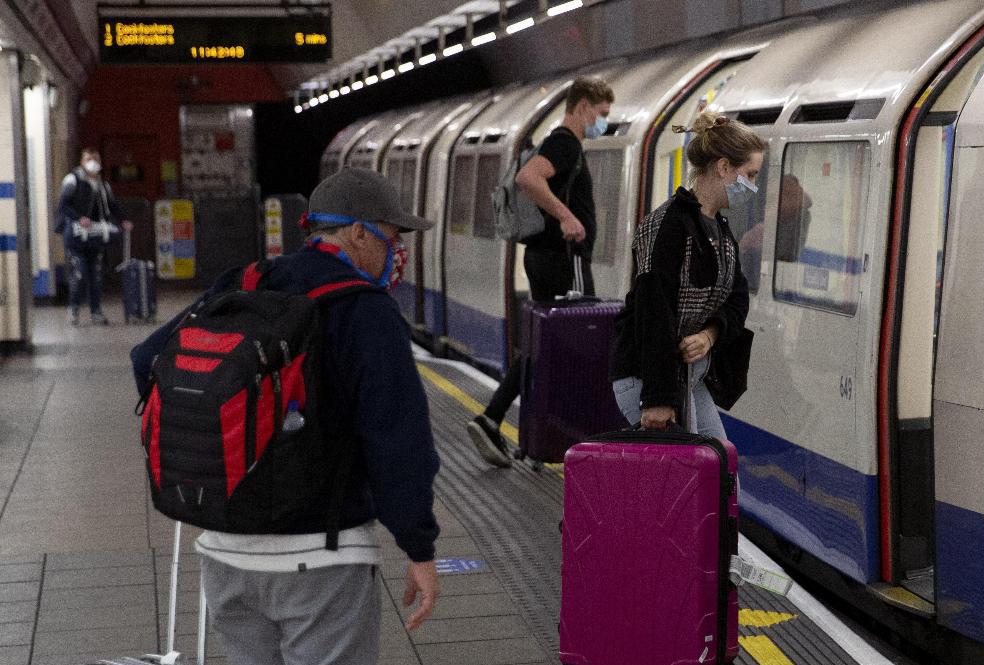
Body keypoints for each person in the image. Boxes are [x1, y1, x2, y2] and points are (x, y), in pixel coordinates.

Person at [130, 168, 441, 664]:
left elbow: (147, 359)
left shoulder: (245, 282)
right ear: (358, 232)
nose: (397, 251)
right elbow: (398, 442)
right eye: (393, 236)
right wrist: (418, 546)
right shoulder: (366, 310)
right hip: (323, 558)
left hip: (224, 551)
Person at [467, 75, 615, 467]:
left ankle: (514, 428)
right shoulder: (565, 142)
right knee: (576, 344)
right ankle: (550, 434)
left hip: (548, 258)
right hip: (563, 260)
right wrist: (568, 217)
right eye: (601, 114)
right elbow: (528, 177)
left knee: (543, 345)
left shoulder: (564, 143)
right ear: (583, 106)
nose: (602, 122)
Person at [610, 112, 764, 436]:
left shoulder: (720, 231)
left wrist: (709, 334)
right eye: (750, 175)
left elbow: (737, 299)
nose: (753, 186)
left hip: (688, 375)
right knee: (693, 479)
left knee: (718, 469)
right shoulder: (667, 226)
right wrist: (657, 399)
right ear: (724, 168)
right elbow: (653, 314)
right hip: (648, 380)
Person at [55, 148, 131, 326]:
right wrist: (78, 218)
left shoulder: (103, 185)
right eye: (89, 159)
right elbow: (63, 206)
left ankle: (96, 311)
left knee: (96, 276)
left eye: (96, 159)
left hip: (95, 237)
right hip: (75, 236)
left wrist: (123, 220)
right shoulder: (72, 180)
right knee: (79, 273)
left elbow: (112, 206)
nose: (93, 162)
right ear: (82, 162)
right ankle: (73, 309)